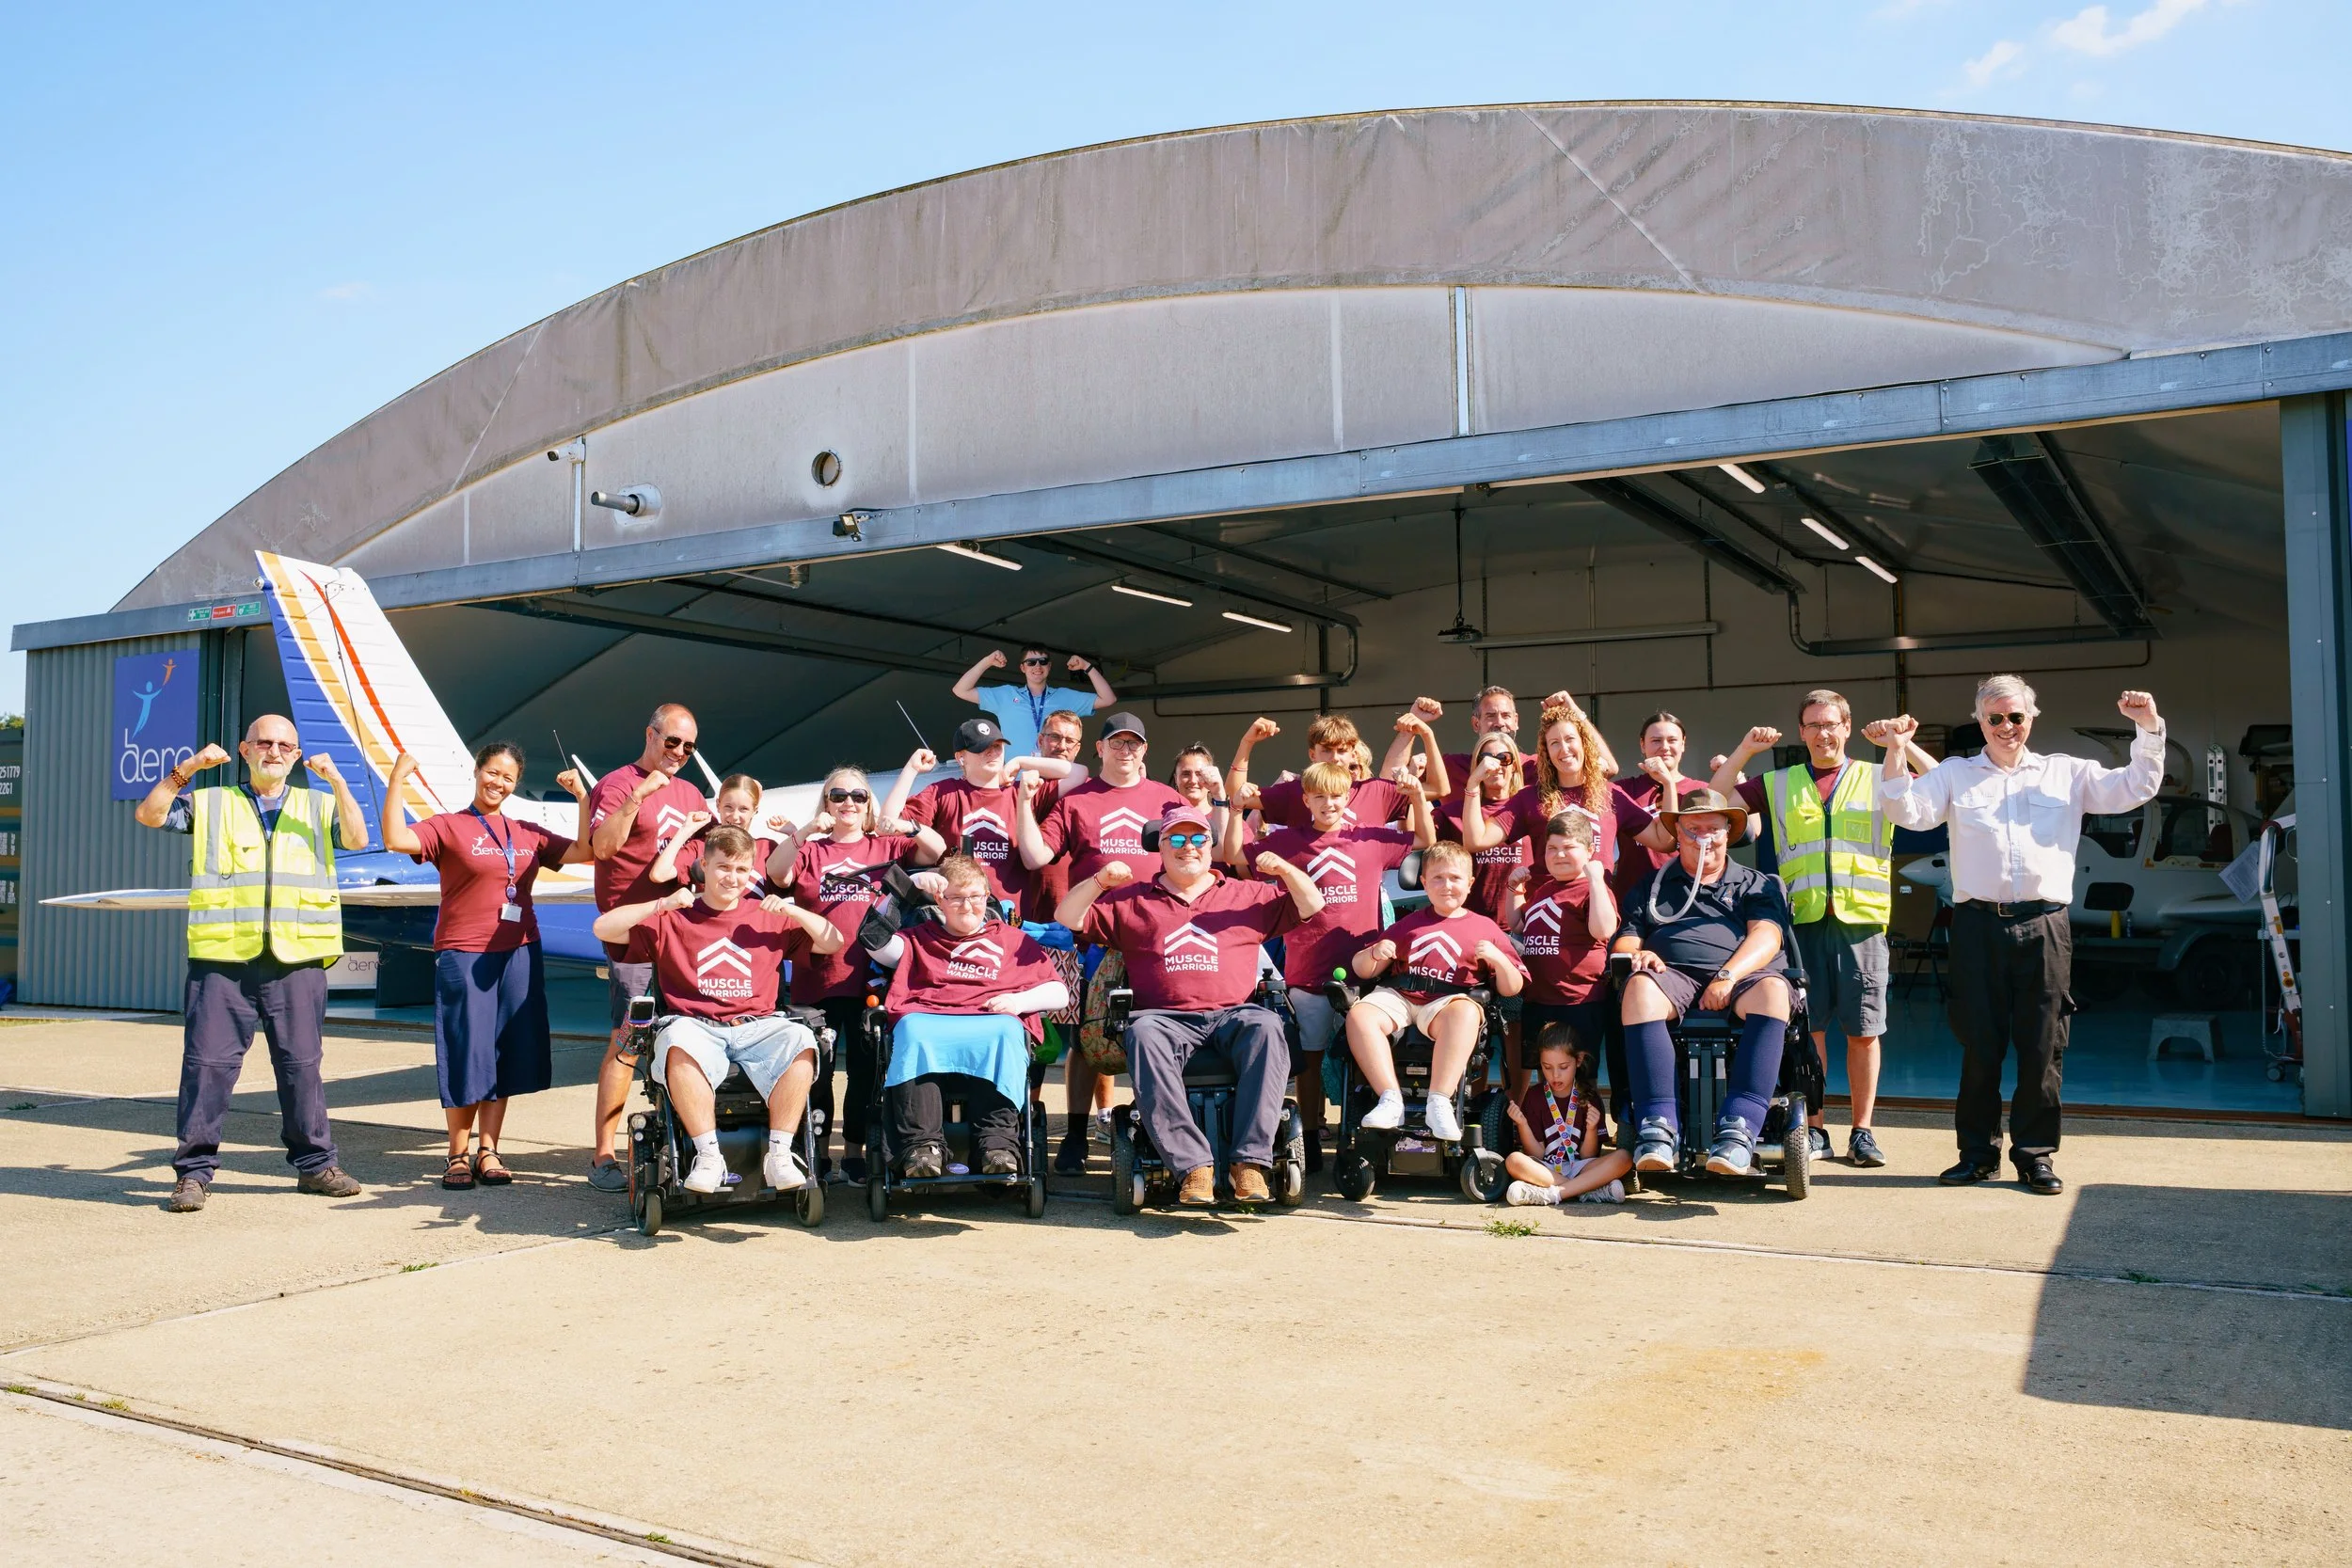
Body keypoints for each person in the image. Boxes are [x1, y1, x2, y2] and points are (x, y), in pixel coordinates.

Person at [1877, 680, 2166, 1196]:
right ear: (1980, 721)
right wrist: (1896, 752)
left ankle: (2035, 1156)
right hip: (1976, 925)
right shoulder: (1955, 775)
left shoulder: (2066, 772)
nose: (2006, 727)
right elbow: (1906, 812)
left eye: (2015, 717)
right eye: (1995, 718)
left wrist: (2146, 727)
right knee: (1979, 1045)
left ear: (2032, 717)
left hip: (2046, 925)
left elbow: (2134, 788)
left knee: (2043, 1046)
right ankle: (1977, 1155)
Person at [133, 715, 370, 1212]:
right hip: (224, 959)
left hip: (296, 957)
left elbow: (356, 840)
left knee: (302, 1067)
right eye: (263, 743)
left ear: (297, 755)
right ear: (245, 750)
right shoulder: (212, 802)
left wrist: (339, 781)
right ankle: (193, 1173)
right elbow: (150, 815)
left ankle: (316, 1165)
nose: (274, 751)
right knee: (207, 1068)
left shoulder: (318, 804)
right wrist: (188, 768)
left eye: (284, 745)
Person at [1058, 802, 1325, 1206]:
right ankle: (1193, 1168)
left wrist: (1286, 871)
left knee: (1268, 1027)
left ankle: (1249, 1163)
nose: (1189, 846)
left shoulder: (1246, 894)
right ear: (1160, 846)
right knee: (1142, 1032)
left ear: (1210, 845)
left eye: (1198, 837)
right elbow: (1068, 917)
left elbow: (1312, 905)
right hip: (1163, 1018)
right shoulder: (1132, 901)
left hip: (1233, 1013)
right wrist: (1099, 881)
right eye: (1177, 839)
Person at [1709, 690, 1906, 1167]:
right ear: (1801, 732)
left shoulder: (1879, 776)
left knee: (1864, 1031)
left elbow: (1940, 789)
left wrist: (1900, 744)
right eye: (1813, 725)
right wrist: (1745, 751)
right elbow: (1715, 798)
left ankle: (1862, 1131)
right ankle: (1814, 1129)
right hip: (1802, 924)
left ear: (1847, 727)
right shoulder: (1778, 782)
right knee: (1807, 1031)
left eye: (1831, 723)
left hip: (1860, 924)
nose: (1823, 733)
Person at [382, 744, 592, 1189]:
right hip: (464, 951)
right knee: (467, 1050)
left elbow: (584, 851)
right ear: (477, 772)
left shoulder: (526, 832)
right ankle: (457, 1154)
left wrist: (582, 797)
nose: (498, 782)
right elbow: (396, 839)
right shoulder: (449, 825)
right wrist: (397, 778)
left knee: (505, 1049)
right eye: (492, 772)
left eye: (508, 777)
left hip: (519, 950)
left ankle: (489, 1150)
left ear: (516, 784)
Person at [593, 826, 843, 1195]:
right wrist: (660, 904)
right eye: (724, 867)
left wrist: (793, 909)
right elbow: (603, 927)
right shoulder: (676, 914)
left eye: (741, 870)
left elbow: (834, 942)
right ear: (704, 866)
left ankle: (779, 1155)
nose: (732, 877)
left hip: (757, 1023)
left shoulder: (767, 915)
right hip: (696, 1024)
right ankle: (709, 1157)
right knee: (676, 1041)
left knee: (802, 1040)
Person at [1228, 759, 1437, 1168]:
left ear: (1348, 799)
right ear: (1305, 800)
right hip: (1308, 972)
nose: (1329, 803)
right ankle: (1309, 1135)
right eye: (1319, 796)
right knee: (1310, 1059)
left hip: (1367, 973)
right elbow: (1235, 855)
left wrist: (1416, 797)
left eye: (1337, 796)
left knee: (1366, 1056)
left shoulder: (1370, 838)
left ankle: (1361, 1134)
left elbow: (1424, 840)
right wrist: (1236, 811)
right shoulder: (1288, 841)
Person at [1018, 710, 1186, 1173]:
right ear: (1100, 748)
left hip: (1159, 936)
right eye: (1116, 742)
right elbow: (1036, 855)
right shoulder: (1077, 800)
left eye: (1133, 743)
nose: (1125, 751)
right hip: (1096, 936)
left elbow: (1197, 854)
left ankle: (1158, 1132)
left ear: (1144, 750)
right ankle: (1075, 1136)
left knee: (1162, 1032)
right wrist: (1023, 801)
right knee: (1087, 1035)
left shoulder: (1167, 799)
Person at [1612, 789, 1795, 1179]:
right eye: (1693, 829)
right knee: (1638, 988)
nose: (1703, 838)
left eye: (1713, 828)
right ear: (1678, 834)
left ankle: (1739, 1128)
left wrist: (1728, 976)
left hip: (1742, 977)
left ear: (1728, 833)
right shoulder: (1652, 886)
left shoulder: (1755, 883)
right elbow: (1626, 940)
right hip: (1671, 975)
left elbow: (1767, 936)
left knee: (1774, 992)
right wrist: (1639, 955)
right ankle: (1658, 1125)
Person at [788, 764, 945, 1180]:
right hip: (815, 980)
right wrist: (803, 831)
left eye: (858, 796)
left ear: (869, 804)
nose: (849, 803)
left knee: (864, 1074)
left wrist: (907, 825)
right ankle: (818, 1152)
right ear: (826, 802)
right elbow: (776, 873)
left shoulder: (885, 847)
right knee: (816, 1074)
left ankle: (854, 1153)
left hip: (869, 980)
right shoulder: (811, 851)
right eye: (838, 795)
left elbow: (936, 850)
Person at [871, 854, 1072, 1177]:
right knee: (910, 1030)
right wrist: (905, 887)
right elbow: (874, 941)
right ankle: (922, 1149)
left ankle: (998, 1146)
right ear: (939, 900)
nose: (967, 906)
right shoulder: (919, 938)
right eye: (956, 898)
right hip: (928, 1022)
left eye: (975, 897)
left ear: (987, 896)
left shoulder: (1012, 941)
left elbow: (1059, 993)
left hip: (991, 1024)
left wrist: (1020, 1001)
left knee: (1007, 1031)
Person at [583, 704, 712, 1193]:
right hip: (633, 938)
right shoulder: (618, 784)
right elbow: (601, 848)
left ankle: (688, 1147)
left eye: (689, 746)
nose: (679, 752)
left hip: (682, 938)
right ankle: (603, 1156)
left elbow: (700, 861)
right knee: (627, 1042)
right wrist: (638, 797)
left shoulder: (690, 792)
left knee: (689, 1040)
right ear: (651, 735)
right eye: (672, 741)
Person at [1343, 839, 1526, 1141]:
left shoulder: (1485, 928)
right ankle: (1390, 1099)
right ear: (1424, 882)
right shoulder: (1408, 924)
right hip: (1400, 996)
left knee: (1466, 1012)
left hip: (1449, 1002)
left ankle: (1438, 1102)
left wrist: (1499, 960)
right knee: (1359, 1013)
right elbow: (1362, 969)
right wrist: (1374, 953)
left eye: (1455, 878)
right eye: (1438, 878)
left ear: (1470, 883)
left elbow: (1512, 988)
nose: (1447, 885)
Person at [883, 718, 1081, 914]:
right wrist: (911, 769)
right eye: (982, 748)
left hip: (1010, 918)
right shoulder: (944, 792)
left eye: (997, 746)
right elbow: (887, 823)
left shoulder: (1024, 791)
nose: (992, 753)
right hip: (957, 915)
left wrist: (1020, 762)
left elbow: (1078, 773)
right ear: (961, 757)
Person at [1499, 808, 1618, 1069]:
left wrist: (1596, 880)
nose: (1559, 855)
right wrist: (1514, 890)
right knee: (1547, 1075)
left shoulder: (1592, 890)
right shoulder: (1543, 890)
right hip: (1538, 1000)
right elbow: (1518, 925)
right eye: (1551, 848)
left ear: (1590, 850)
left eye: (1569, 847)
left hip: (1578, 1002)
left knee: (1577, 1076)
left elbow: (1603, 930)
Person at [1502, 1026, 1631, 1205]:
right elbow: (1537, 1154)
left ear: (1578, 1060)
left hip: (1580, 1167)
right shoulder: (1534, 1096)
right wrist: (1522, 1124)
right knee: (1513, 1160)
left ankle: (1552, 1194)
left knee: (1624, 1158)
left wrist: (1592, 1129)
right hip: (1546, 1169)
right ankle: (1586, 1189)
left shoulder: (1589, 1096)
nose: (1555, 1075)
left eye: (1563, 1067)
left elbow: (1587, 1156)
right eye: (1547, 1067)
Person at [1230, 714, 1406, 831]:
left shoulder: (1374, 790)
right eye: (1327, 750)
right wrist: (1247, 742)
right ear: (1312, 755)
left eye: (1341, 751)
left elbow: (1425, 793)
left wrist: (1420, 733)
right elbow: (1236, 795)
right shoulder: (1295, 792)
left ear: (1353, 754)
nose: (1334, 758)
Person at [951, 644, 1118, 760]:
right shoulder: (1006, 695)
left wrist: (1087, 666)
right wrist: (987, 661)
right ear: (1022, 668)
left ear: (1049, 666)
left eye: (1042, 662)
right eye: (1031, 662)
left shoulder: (1064, 696)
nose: (1037, 666)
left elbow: (1108, 699)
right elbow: (961, 690)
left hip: (1054, 780)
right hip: (1015, 780)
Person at [652, 773, 795, 901]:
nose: (735, 816)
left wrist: (794, 835)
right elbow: (659, 874)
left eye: (743, 809)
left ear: (755, 810)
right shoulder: (701, 847)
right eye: (728, 807)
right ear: (718, 805)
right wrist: (685, 830)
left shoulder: (767, 849)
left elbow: (794, 885)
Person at [1615, 712, 1710, 896]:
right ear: (1642, 745)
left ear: (1683, 744)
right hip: (1632, 895)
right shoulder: (1622, 790)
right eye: (1656, 741)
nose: (1665, 747)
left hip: (1688, 895)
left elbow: (1752, 831)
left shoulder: (1702, 791)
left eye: (1672, 740)